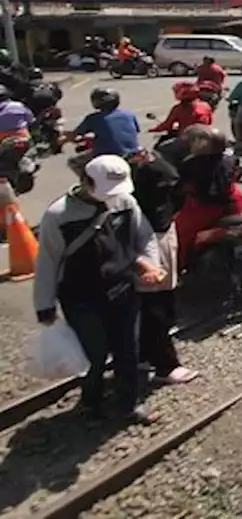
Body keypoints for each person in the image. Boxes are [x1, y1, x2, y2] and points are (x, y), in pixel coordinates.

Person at [33, 155, 165, 423]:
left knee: (127, 349)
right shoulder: (59, 215)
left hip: (122, 289)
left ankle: (127, 405)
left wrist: (152, 264)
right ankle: (90, 402)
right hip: (81, 297)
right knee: (94, 352)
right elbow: (47, 261)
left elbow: (144, 235)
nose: (111, 197)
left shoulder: (125, 202)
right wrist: (43, 304)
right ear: (85, 181)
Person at [125, 148, 198, 385]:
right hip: (149, 247)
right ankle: (165, 365)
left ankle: (146, 355)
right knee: (153, 307)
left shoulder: (149, 199)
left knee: (160, 303)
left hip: (161, 238)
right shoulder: (134, 206)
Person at [172, 125, 242, 268]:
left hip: (205, 207)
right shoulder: (229, 158)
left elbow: (180, 185)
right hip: (234, 200)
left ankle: (178, 268)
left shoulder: (192, 164)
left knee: (178, 235)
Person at [66, 87, 141, 158]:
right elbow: (136, 131)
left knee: (73, 161)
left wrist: (63, 140)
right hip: (133, 152)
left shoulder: (93, 118)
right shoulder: (129, 114)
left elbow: (75, 134)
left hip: (105, 154)